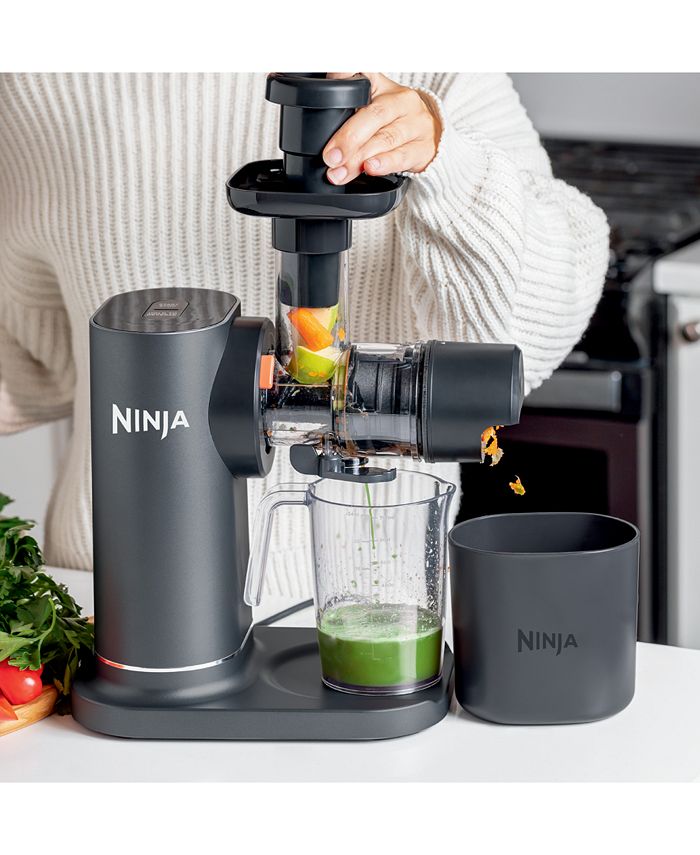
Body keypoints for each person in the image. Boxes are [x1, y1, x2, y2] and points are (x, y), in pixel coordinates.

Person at [0, 73, 609, 596]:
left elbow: (528, 334)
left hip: (380, 598)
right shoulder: (36, 76)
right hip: (103, 595)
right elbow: (32, 354)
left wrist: (445, 162)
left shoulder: (436, 55)